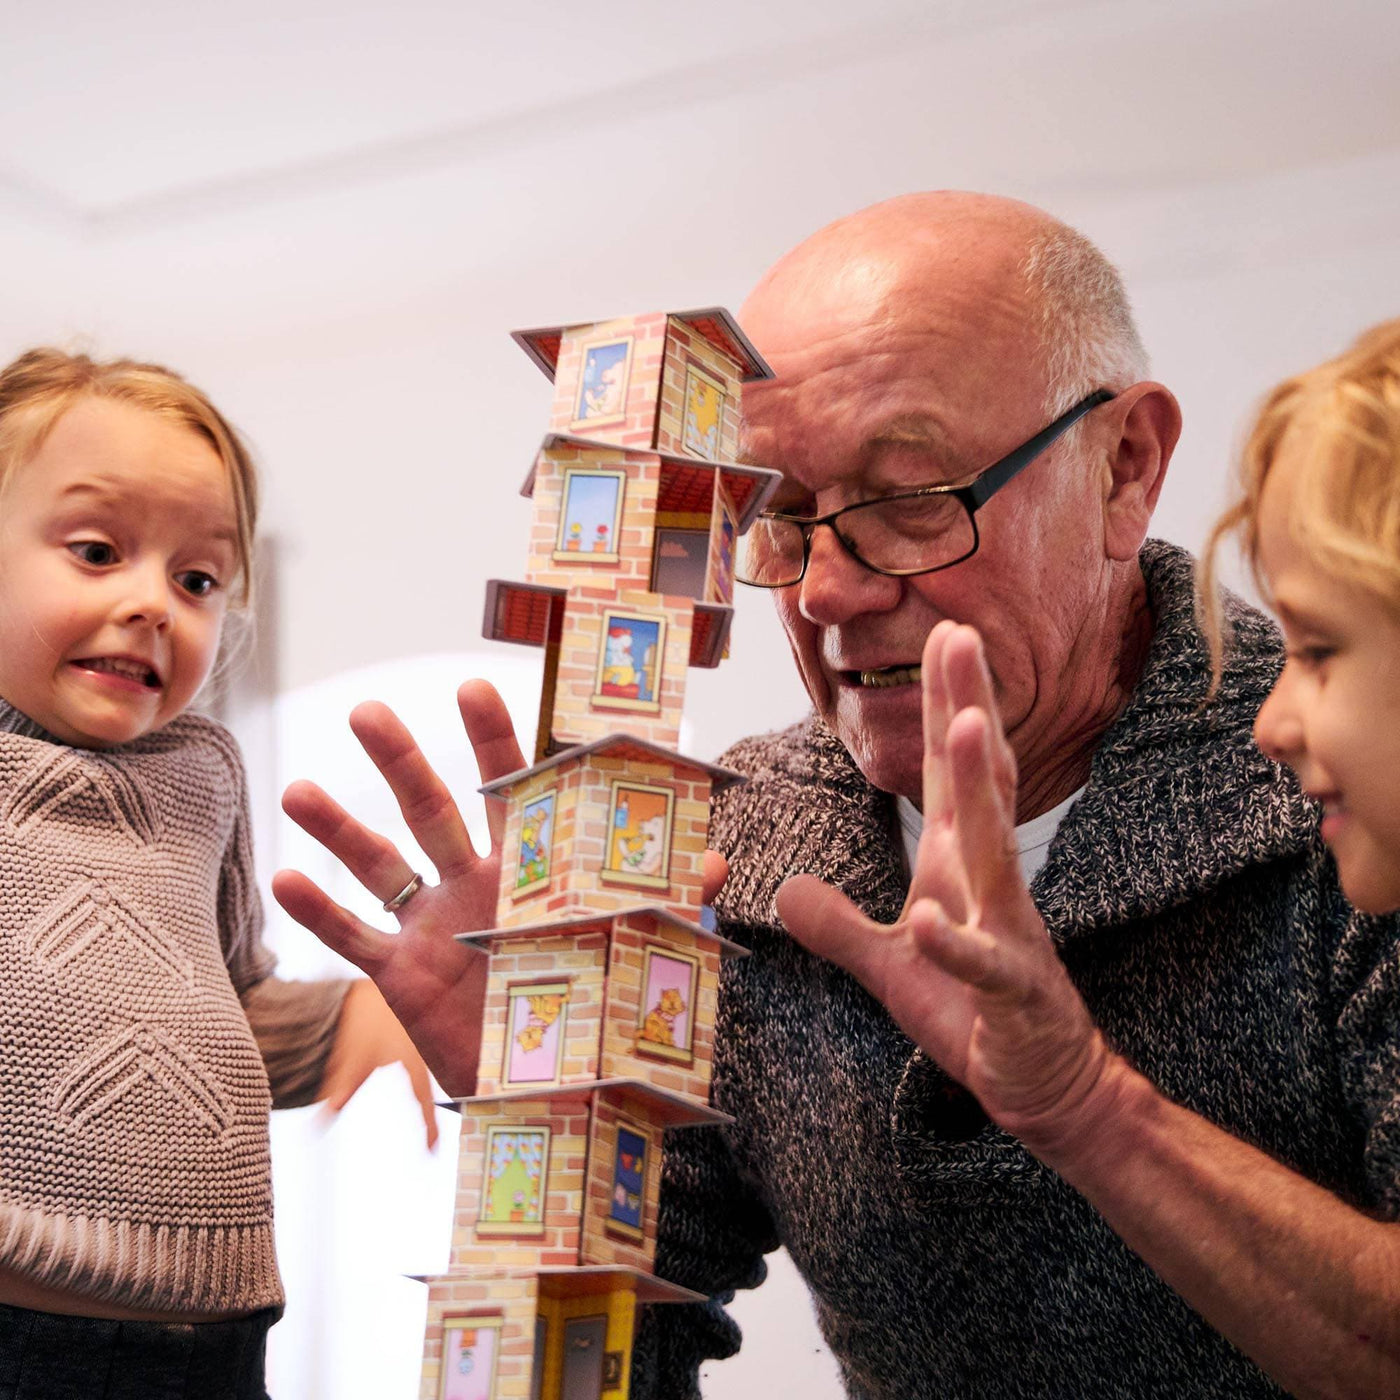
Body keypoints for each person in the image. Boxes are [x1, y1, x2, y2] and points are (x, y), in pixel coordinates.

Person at [274, 195, 1400, 1400]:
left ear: (1124, 467)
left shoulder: (1353, 798)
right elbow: (619, 1346)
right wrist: (543, 1130)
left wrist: (1086, 1103)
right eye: (779, 520)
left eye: (908, 498)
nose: (822, 593)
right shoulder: (728, 847)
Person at [0, 349, 435, 1400]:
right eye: (97, 550)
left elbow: (226, 1000)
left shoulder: (202, 776)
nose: (156, 602)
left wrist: (347, 1018)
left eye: (198, 578)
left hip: (217, 1340)